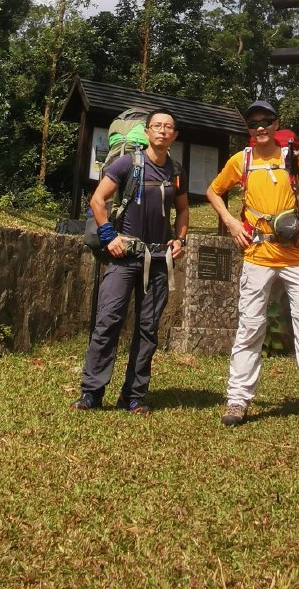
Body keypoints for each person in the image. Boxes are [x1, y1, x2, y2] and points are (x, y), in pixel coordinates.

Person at [206, 100, 299, 430]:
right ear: (248, 129)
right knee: (250, 328)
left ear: (275, 123)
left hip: (294, 256)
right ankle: (237, 399)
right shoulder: (242, 160)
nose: (260, 127)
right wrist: (231, 222)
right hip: (257, 255)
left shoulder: (292, 160)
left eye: (266, 121)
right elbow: (214, 191)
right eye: (253, 122)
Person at [73, 108, 189, 414]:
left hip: (158, 259)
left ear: (174, 136)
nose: (163, 131)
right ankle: (92, 393)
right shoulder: (129, 163)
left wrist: (180, 239)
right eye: (157, 126)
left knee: (148, 329)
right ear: (147, 132)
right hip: (124, 258)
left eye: (169, 127)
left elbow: (184, 211)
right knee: (107, 322)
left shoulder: (175, 171)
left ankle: (133, 395)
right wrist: (110, 236)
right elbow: (97, 200)